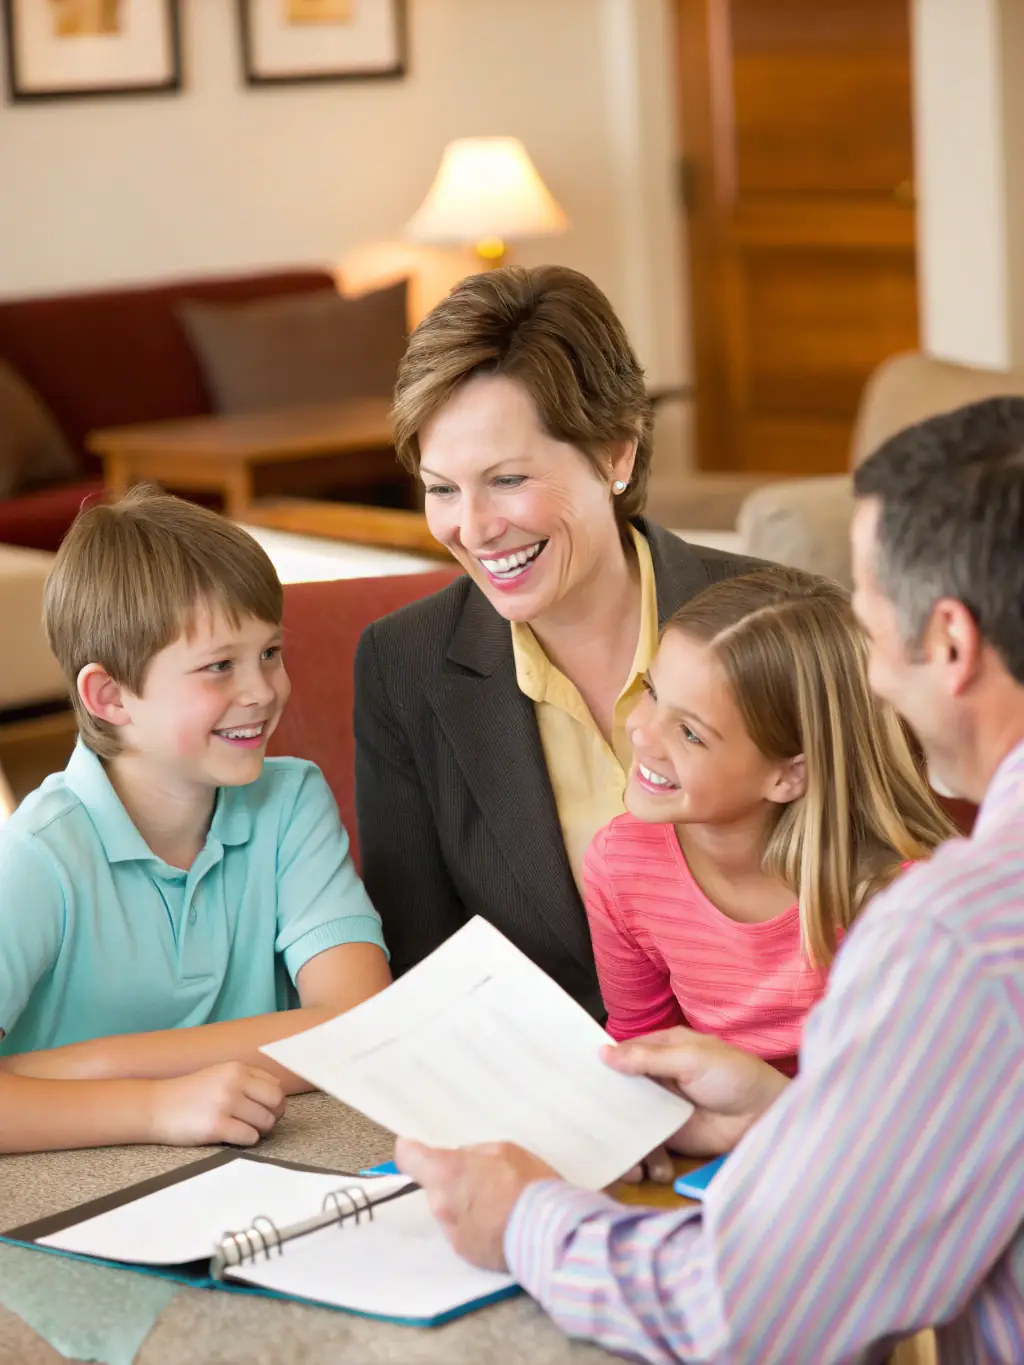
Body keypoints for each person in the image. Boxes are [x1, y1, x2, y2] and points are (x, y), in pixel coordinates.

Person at [395, 395, 1024, 1363]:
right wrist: (778, 1115)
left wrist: (523, 1218)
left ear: (947, 642)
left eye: (867, 618)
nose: (867, 676)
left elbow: (756, 1312)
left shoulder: (954, 931)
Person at [354, 264, 757, 1013]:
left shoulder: (781, 619)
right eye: (442, 488)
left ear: (616, 453)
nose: (473, 529)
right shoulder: (401, 666)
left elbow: (884, 906)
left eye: (508, 480)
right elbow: (423, 969)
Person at [0, 487, 391, 1154]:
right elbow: (330, 1033)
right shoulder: (37, 855)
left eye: (270, 652)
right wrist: (155, 1107)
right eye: (219, 666)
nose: (263, 690)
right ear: (110, 696)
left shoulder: (291, 801)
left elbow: (360, 1024)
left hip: (262, 1167)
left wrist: (82, 1065)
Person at [586, 567, 954, 1078]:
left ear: (788, 776)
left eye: (690, 733)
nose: (642, 733)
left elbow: (921, 1093)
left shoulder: (902, 904)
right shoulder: (620, 865)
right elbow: (640, 1048)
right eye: (652, 690)